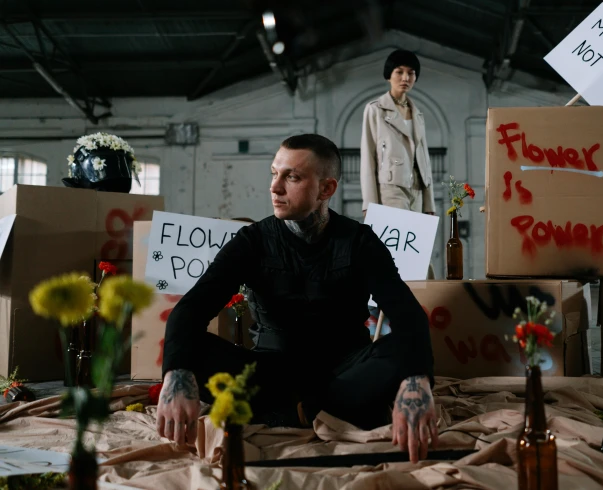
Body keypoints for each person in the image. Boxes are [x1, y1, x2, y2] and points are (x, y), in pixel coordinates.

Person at [156, 134, 438, 463]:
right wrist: (176, 374)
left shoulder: (360, 242)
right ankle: (308, 409)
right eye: (274, 174)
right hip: (268, 375)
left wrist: (417, 380)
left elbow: (407, 316)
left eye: (292, 177)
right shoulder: (252, 241)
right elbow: (190, 310)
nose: (275, 188)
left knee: (402, 348)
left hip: (345, 373)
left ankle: (291, 411)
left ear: (326, 189)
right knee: (192, 350)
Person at [360, 49, 435, 219]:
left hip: (417, 189)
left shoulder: (418, 114)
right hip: (390, 188)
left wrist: (429, 201)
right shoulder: (375, 110)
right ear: (389, 75)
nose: (405, 78)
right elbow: (367, 157)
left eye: (411, 73)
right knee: (392, 245)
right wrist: (369, 203)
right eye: (399, 72)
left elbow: (425, 159)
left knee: (416, 244)